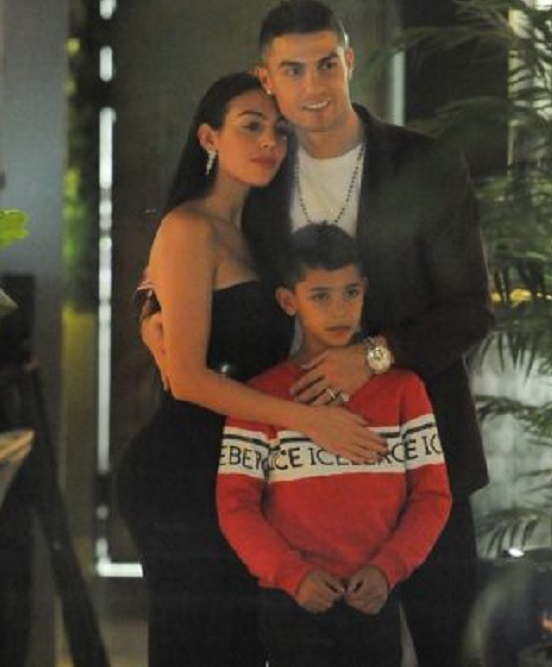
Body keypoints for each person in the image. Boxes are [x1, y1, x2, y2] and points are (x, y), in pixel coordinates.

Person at [240, 0, 494, 667]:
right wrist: (155, 304)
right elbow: (199, 242)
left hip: (423, 454)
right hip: (298, 468)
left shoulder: (424, 164)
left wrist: (374, 357)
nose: (314, 86)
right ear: (266, 79)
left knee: (449, 646)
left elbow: (471, 308)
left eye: (327, 64)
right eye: (293, 70)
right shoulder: (256, 175)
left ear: (349, 61)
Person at [117, 71, 386, 667]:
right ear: (209, 138)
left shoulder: (262, 236)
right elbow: (188, 379)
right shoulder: (188, 228)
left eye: (280, 131)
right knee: (200, 646)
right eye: (252, 126)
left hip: (241, 470)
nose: (269, 141)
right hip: (184, 471)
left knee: (243, 645)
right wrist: (308, 421)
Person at [217, 222, 452, 667]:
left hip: (375, 596)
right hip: (292, 601)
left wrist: (387, 569)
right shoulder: (259, 398)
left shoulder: (405, 391)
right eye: (320, 296)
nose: (340, 309)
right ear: (289, 301)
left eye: (350, 293)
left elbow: (433, 496)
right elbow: (235, 506)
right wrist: (292, 575)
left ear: (365, 291)